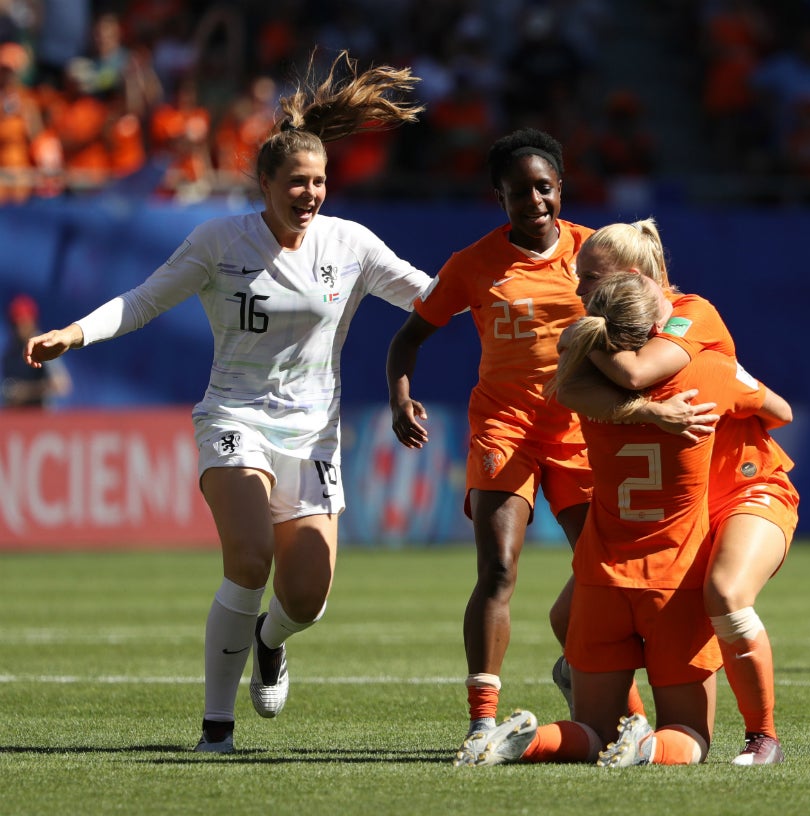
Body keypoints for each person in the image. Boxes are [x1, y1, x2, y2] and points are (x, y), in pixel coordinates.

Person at [23, 50, 430, 752]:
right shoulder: (220, 240)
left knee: (307, 598)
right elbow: (144, 300)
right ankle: (217, 728)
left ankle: (271, 641)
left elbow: (430, 294)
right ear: (265, 184)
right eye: (297, 182)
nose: (311, 193)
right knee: (249, 557)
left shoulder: (350, 243)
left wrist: (511, 290)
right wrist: (75, 332)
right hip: (233, 416)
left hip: (313, 433)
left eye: (319, 181)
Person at [455, 270, 793, 767]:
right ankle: (651, 745)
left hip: (600, 579)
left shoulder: (578, 385)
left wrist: (611, 375)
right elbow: (779, 411)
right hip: (673, 580)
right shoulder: (711, 371)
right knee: (689, 736)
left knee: (593, 731)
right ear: (657, 327)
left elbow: (572, 372)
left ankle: (531, 740)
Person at [386, 128, 608, 750]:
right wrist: (401, 398)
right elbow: (408, 339)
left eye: (544, 188)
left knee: (602, 567)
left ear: (560, 188)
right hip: (504, 428)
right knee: (499, 568)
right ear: (500, 198)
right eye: (519, 191)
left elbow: (651, 316)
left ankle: (577, 670)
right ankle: (482, 719)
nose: (534, 201)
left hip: (579, 429)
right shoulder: (472, 264)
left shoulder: (596, 253)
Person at [556, 218, 800, 765]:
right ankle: (633, 735)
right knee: (563, 617)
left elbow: (639, 373)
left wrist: (585, 340)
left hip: (745, 484)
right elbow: (572, 390)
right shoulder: (606, 331)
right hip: (687, 502)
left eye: (590, 277)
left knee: (725, 593)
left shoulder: (693, 313)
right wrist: (641, 403)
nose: (579, 288)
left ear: (636, 277)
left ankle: (763, 737)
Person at [3, 294, 71, 408]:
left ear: (33, 321)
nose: (19, 329)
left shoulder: (44, 345)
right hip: (17, 415)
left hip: (41, 415)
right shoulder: (10, 351)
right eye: (15, 324)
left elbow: (61, 384)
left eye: (24, 323)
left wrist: (27, 391)